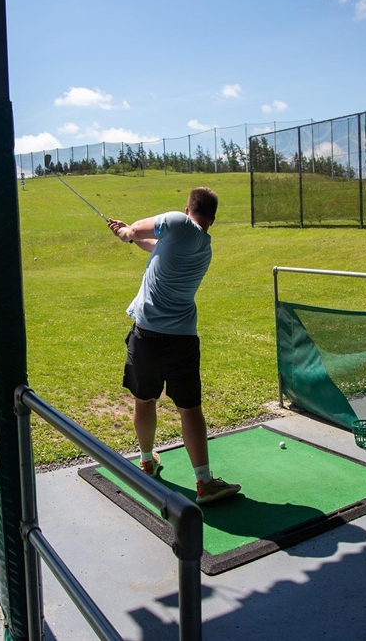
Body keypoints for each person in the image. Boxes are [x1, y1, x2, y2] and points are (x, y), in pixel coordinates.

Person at [107, 187, 241, 505]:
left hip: (146, 335)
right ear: (212, 219)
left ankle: (146, 461)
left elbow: (137, 231)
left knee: (144, 399)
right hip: (181, 339)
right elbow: (153, 246)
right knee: (189, 407)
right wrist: (127, 234)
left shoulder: (177, 222)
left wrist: (124, 232)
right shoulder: (201, 247)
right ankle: (204, 482)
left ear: (187, 208)